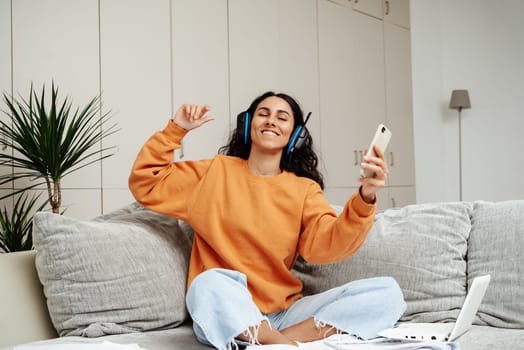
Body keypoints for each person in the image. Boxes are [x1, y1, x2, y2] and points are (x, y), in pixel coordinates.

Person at [128, 91, 406, 350]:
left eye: (282, 117)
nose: (271, 120)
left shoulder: (304, 189)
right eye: (263, 113)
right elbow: (147, 183)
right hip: (229, 311)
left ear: (295, 134)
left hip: (285, 315)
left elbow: (327, 245)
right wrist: (177, 130)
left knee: (388, 294)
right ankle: (282, 345)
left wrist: (365, 196)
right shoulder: (214, 172)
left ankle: (277, 344)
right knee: (206, 284)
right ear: (248, 123)